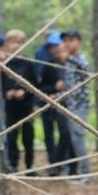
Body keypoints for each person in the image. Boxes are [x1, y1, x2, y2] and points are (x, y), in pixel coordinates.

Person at [1, 29, 38, 174]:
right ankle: (13, 166)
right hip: (11, 108)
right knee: (11, 138)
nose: (16, 45)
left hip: (26, 107)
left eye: (19, 42)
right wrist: (7, 93)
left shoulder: (28, 64)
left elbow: (35, 85)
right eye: (13, 42)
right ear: (7, 45)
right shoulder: (5, 65)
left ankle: (29, 167)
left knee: (28, 137)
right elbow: (1, 86)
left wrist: (25, 92)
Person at [34, 31, 70, 176]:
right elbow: (42, 86)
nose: (57, 51)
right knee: (49, 134)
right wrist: (54, 88)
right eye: (54, 48)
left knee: (65, 133)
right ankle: (53, 164)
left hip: (64, 105)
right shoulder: (48, 64)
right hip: (48, 104)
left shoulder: (72, 65)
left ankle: (62, 162)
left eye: (60, 49)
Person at [60, 29, 91, 183]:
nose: (67, 44)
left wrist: (69, 59)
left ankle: (86, 173)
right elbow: (70, 86)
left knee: (78, 137)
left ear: (79, 42)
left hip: (81, 105)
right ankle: (77, 170)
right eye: (65, 41)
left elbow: (85, 69)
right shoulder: (67, 61)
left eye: (71, 40)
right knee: (72, 138)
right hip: (69, 105)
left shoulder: (80, 59)